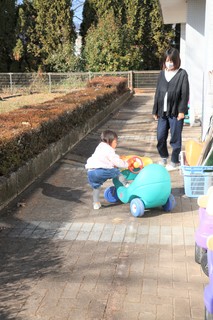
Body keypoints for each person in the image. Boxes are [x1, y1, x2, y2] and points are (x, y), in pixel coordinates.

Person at [152, 47, 190, 171]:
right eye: (167, 60)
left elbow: (185, 94)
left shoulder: (182, 74)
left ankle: (174, 161)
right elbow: (158, 92)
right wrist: (155, 110)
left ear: (176, 61)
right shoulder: (162, 74)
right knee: (160, 136)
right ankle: (163, 157)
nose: (169, 63)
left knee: (175, 138)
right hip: (162, 112)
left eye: (171, 61)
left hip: (176, 112)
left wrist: (182, 111)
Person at [85, 130, 129, 209]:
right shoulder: (109, 150)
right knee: (117, 172)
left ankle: (96, 203)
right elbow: (116, 161)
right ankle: (127, 184)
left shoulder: (100, 147)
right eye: (115, 142)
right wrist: (126, 164)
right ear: (109, 141)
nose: (116, 144)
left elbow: (104, 159)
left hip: (91, 172)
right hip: (101, 171)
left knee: (96, 188)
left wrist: (116, 159)